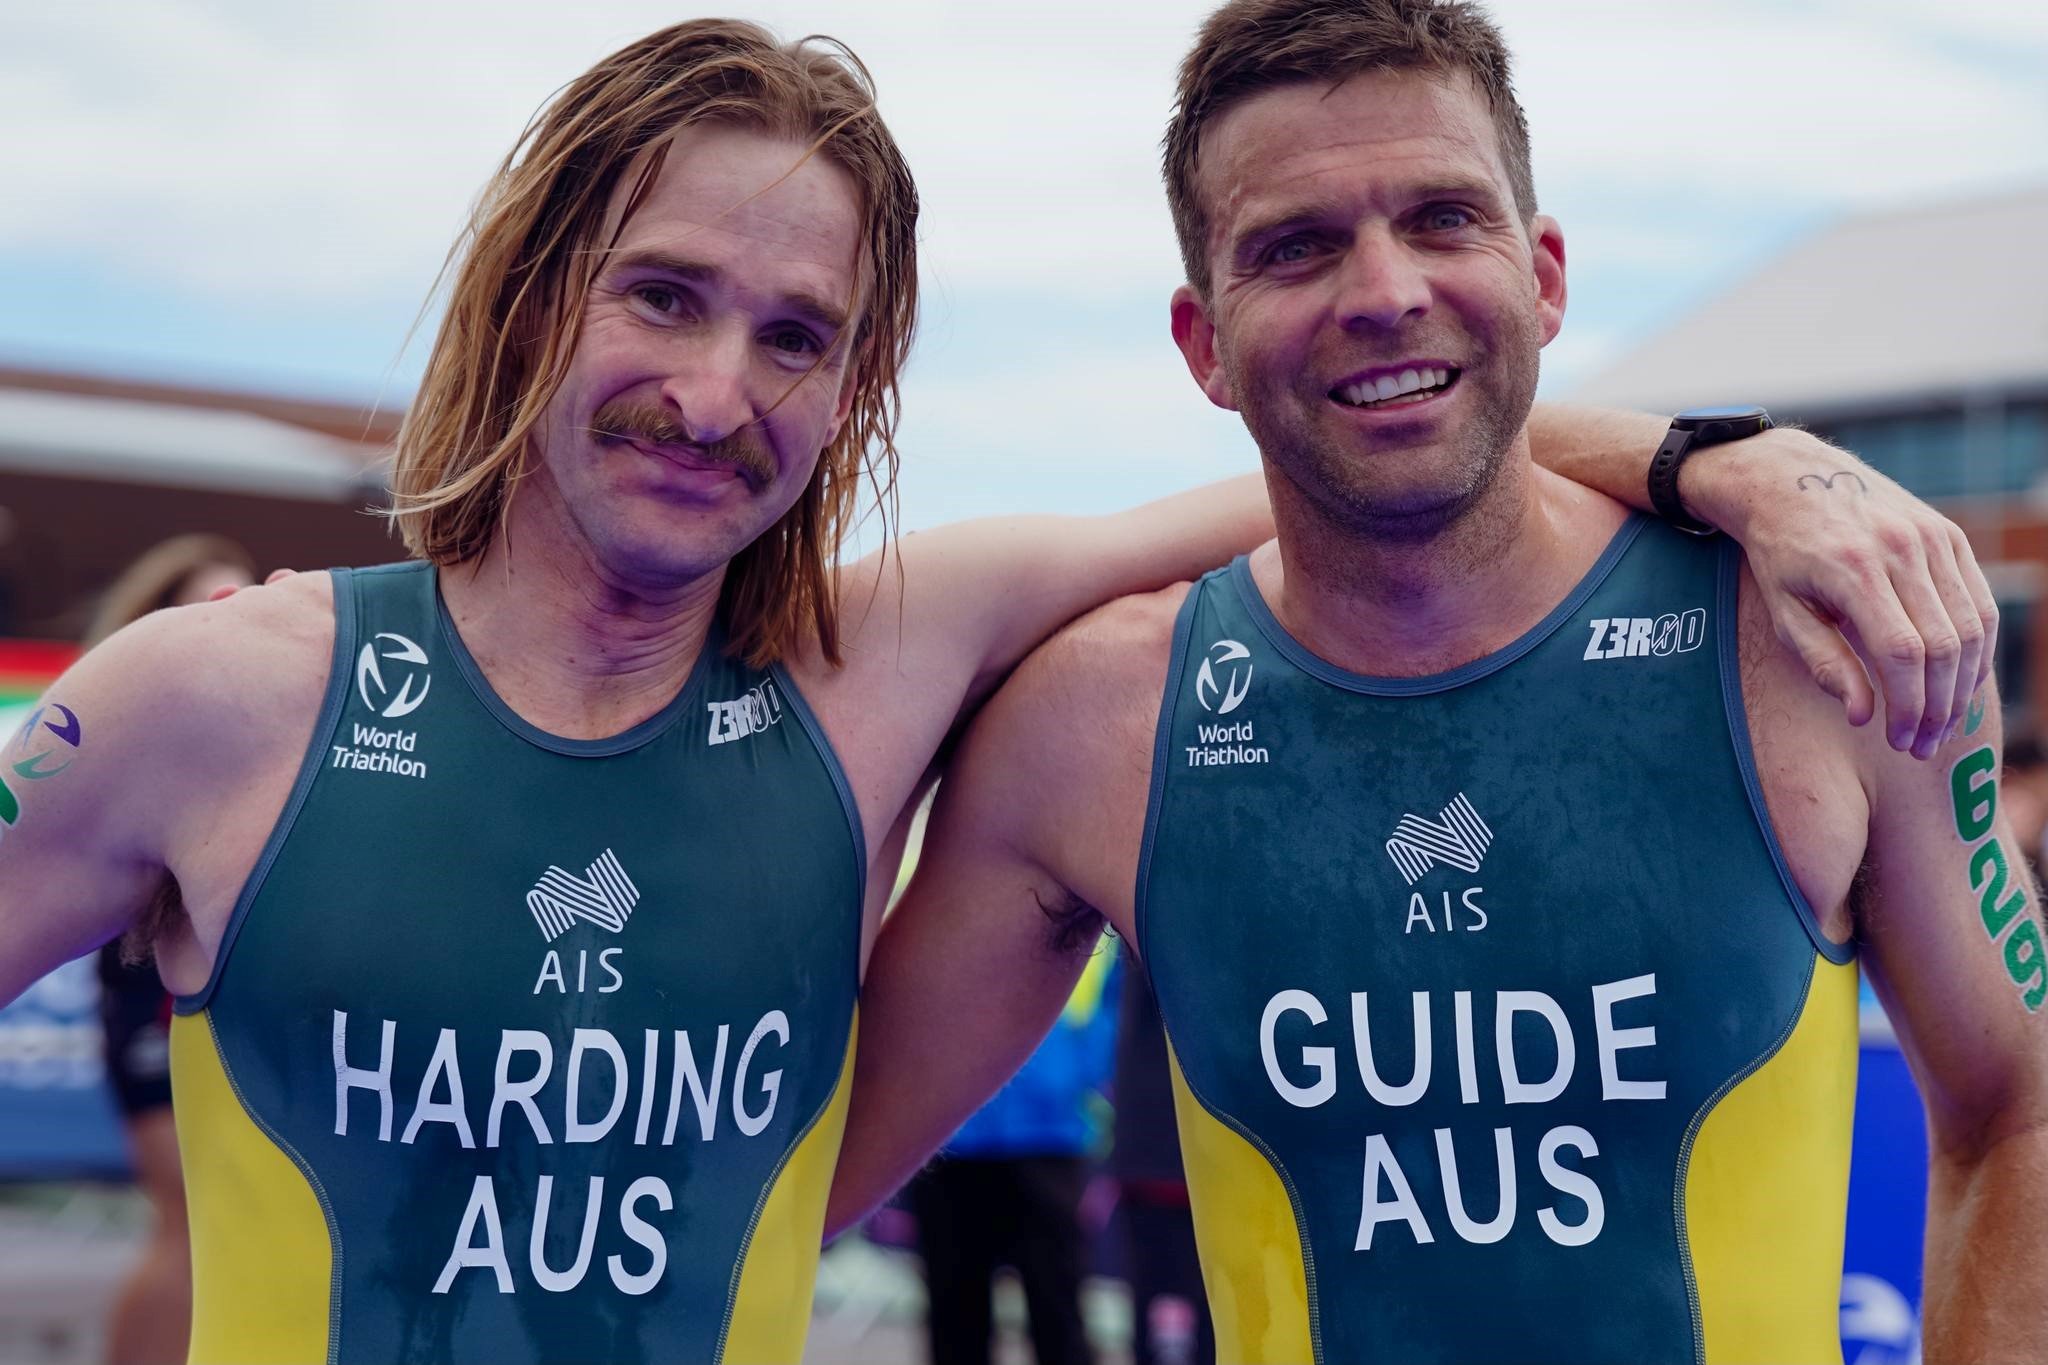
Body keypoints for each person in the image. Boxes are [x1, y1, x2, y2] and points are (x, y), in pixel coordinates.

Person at [0, 15, 2001, 1365]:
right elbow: (1358, 407)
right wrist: (1729, 456)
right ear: (531, 300)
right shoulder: (210, 692)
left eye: (797, 337)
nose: (713, 391)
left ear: (853, 392)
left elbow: (1386, 429)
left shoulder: (876, 666)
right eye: (663, 296)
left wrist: (1739, 464)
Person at [826, 2, 2046, 1361]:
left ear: (1546, 275)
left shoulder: (1817, 647)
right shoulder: (1092, 727)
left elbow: (2022, 1107)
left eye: (1443, 218)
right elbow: (775, 1184)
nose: (1384, 291)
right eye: (1295, 246)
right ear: (1201, 343)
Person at [78, 536, 258, 1365]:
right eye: (214, 603)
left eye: (248, 600)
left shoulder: (262, 732)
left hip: (216, 1004)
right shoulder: (131, 725)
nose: (239, 617)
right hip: (145, 997)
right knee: (185, 1221)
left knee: (212, 1229)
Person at [910, 946, 1118, 1365]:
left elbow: (1115, 1002)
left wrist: (1073, 1076)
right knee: (954, 1317)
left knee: (1057, 1312)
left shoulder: (1091, 911)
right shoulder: (911, 897)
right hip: (946, 1131)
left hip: (1049, 1136)